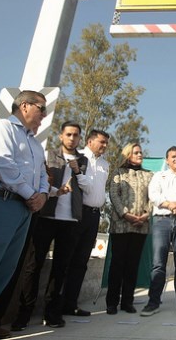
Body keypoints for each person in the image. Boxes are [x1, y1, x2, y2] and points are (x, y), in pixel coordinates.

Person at [0, 90, 49, 340]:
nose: (44, 115)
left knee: (1, 274)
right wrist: (30, 193)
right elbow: (0, 162)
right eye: (41, 108)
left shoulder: (36, 144)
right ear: (24, 106)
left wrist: (43, 195)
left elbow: (44, 176)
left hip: (23, 211)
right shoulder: (2, 128)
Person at [12, 121, 89, 329]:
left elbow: (87, 188)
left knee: (60, 269)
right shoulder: (46, 154)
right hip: (45, 216)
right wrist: (57, 190)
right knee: (33, 266)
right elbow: (40, 181)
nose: (73, 138)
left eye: (76, 135)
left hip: (70, 220)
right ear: (61, 136)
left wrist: (78, 172)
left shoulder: (83, 160)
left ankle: (53, 313)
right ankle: (23, 313)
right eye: (69, 134)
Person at [140, 146, 176, 318]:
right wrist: (169, 205)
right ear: (167, 160)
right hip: (161, 221)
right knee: (158, 263)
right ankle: (153, 303)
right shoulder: (159, 176)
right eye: (173, 157)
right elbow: (154, 196)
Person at [62, 129, 110, 317]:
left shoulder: (105, 164)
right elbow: (82, 185)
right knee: (67, 259)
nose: (104, 146)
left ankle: (71, 304)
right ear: (89, 141)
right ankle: (57, 304)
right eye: (102, 142)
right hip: (77, 213)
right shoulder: (79, 157)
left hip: (94, 215)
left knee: (82, 262)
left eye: (106, 143)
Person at [106, 143, 153, 315]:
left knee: (132, 266)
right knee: (117, 264)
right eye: (136, 152)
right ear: (128, 155)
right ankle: (111, 302)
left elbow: (153, 197)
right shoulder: (118, 173)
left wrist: (146, 215)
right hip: (121, 225)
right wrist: (126, 214)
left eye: (141, 152)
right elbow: (113, 195)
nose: (140, 155)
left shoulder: (149, 175)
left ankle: (127, 302)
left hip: (140, 226)